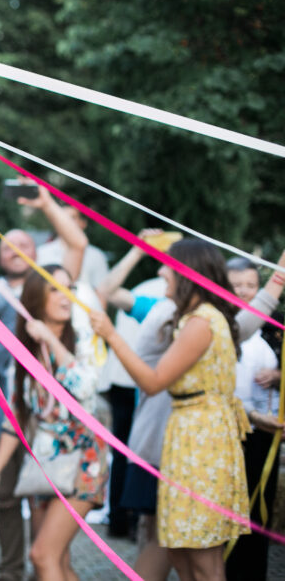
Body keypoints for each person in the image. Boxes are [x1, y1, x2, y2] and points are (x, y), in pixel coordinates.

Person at [89, 239, 252, 581]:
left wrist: (111, 335)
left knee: (203, 555)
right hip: (187, 437)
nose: (161, 271)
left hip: (203, 442)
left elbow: (153, 381)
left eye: (168, 266)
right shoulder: (193, 318)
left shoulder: (203, 322)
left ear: (187, 274)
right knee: (179, 547)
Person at [0, 266, 108, 581]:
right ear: (36, 298)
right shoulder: (24, 352)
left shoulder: (83, 337)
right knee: (58, 561)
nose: (65, 296)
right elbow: (17, 417)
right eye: (55, 289)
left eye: (69, 289)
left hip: (83, 459)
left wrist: (51, 339)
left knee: (42, 555)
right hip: (42, 466)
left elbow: (82, 386)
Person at [224, 256, 283, 581]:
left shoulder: (276, 324)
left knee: (259, 508)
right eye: (237, 286)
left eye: (251, 285)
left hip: (266, 431)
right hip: (228, 430)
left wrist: (278, 375)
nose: (245, 292)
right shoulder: (219, 321)